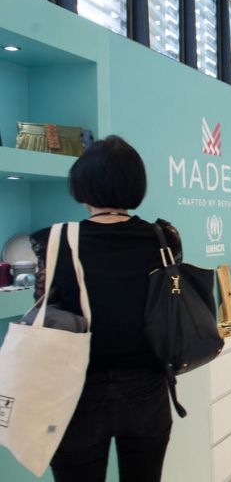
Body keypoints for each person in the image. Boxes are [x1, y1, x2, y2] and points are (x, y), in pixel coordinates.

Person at [29, 135, 181, 481]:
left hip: (74, 394)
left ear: (83, 186)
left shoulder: (52, 242)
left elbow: (46, 314)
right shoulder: (164, 238)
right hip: (148, 388)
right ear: (136, 185)